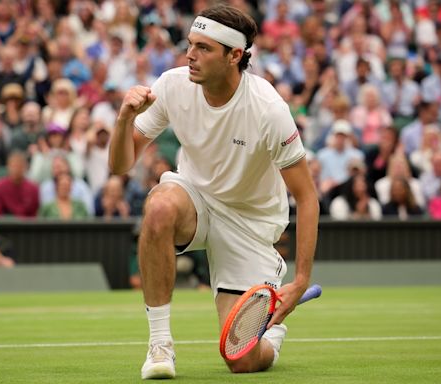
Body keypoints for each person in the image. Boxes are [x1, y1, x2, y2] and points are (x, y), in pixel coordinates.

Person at [108, 5, 319, 379]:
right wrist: (124, 120)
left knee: (241, 361)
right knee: (158, 208)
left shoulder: (269, 109)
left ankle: (273, 328)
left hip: (250, 224)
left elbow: (306, 197)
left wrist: (300, 281)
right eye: (190, 45)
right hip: (196, 200)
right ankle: (160, 345)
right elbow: (121, 165)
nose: (190, 55)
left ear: (235, 55)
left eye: (204, 48)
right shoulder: (173, 85)